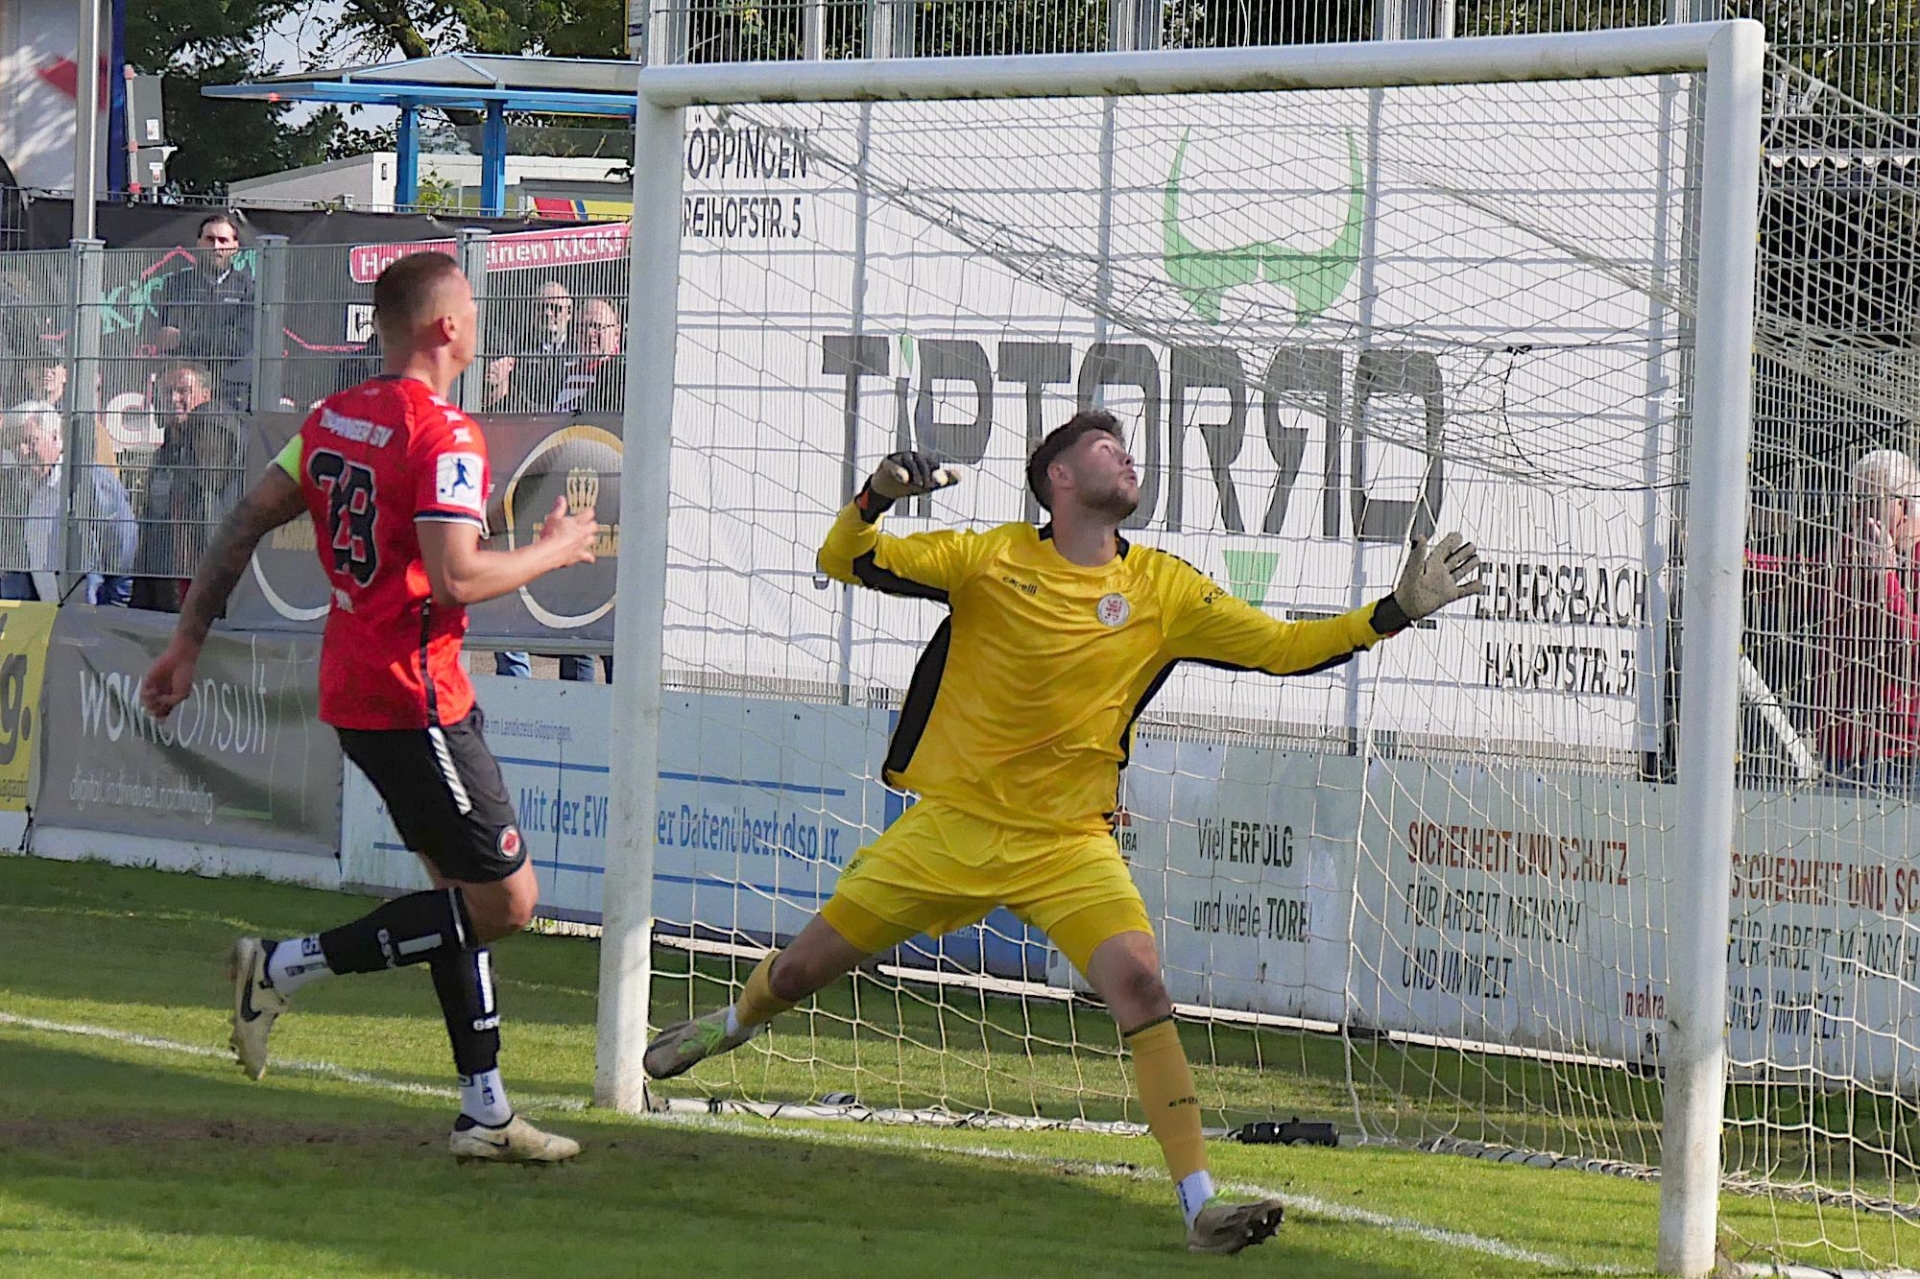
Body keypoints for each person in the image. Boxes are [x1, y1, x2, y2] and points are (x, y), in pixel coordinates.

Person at [643, 411, 1485, 1255]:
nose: (1127, 456)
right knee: (797, 972)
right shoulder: (991, 558)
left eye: (1126, 447)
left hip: (1069, 844)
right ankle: (733, 1023)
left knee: (1144, 989)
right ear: (1060, 478)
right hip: (951, 829)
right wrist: (876, 496)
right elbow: (845, 559)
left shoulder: (1163, 587)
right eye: (1106, 447)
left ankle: (1200, 1208)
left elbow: (1284, 647)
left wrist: (1394, 611)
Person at [138, 252, 600, 1164]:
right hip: (415, 696)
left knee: (451, 898)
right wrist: (555, 551)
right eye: (472, 305)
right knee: (508, 903)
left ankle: (485, 1110)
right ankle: (281, 965)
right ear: (447, 327)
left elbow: (243, 521)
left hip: (358, 687)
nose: (478, 319)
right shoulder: (445, 433)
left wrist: (188, 639)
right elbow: (458, 575)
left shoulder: (331, 419)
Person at [1748, 449, 1920, 783]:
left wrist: (1885, 579)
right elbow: (1796, 582)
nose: (1855, 512)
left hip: (1901, 758)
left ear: (1902, 506)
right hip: (1840, 750)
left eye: (1868, 500)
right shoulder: (1850, 550)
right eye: (1853, 500)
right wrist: (1731, 560)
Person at [0, 399, 137, 604]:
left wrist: (109, 612)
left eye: (30, 441)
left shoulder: (92, 483)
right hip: (42, 615)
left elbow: (123, 556)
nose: (22, 451)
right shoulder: (20, 491)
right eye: (14, 445)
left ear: (55, 436)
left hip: (88, 615)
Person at [133, 363, 244, 613]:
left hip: (211, 582)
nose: (174, 398)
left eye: (183, 390)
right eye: (167, 392)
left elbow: (212, 482)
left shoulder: (220, 439)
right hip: (166, 583)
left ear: (206, 395)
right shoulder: (164, 454)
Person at [152, 214, 256, 410]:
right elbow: (166, 338)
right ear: (198, 242)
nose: (216, 246)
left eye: (223, 240)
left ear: (235, 246)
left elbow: (237, 343)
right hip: (185, 388)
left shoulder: (249, 289)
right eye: (210, 239)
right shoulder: (176, 285)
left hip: (231, 389)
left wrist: (184, 338)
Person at [552, 298, 624, 415]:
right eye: (582, 327)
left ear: (617, 332)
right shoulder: (560, 373)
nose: (589, 333)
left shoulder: (624, 377)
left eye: (597, 326)